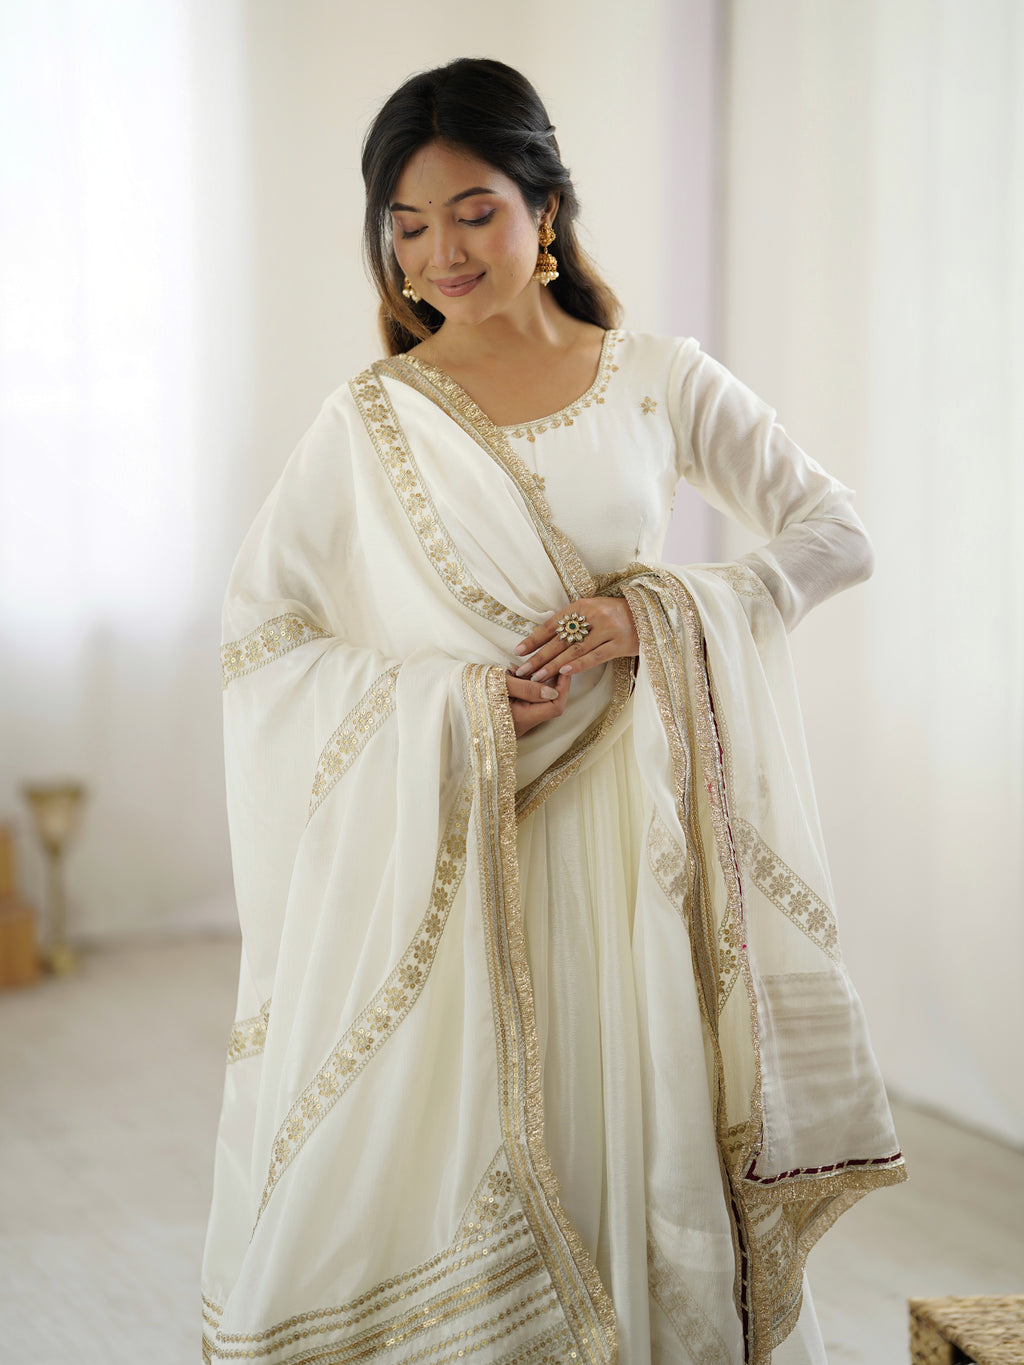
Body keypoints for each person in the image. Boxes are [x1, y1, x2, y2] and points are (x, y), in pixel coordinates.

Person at [201, 58, 905, 1365]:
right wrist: (458, 708)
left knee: (636, 1159)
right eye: (406, 224)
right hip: (464, 851)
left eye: (471, 209)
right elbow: (264, 637)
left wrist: (658, 615)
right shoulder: (372, 421)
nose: (441, 249)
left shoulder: (650, 374)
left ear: (546, 210)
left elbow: (835, 530)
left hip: (635, 857)